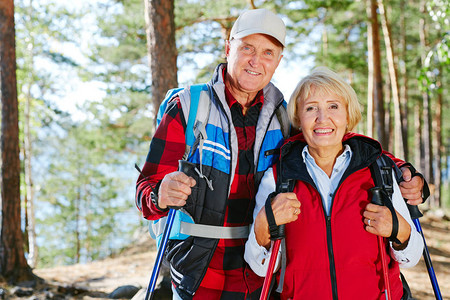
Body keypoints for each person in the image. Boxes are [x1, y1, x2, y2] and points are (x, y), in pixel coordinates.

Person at [136, 8, 425, 300]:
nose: (255, 60)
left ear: (278, 61)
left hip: (264, 279)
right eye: (247, 48)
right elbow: (146, 189)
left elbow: (328, 138)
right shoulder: (188, 107)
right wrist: (160, 194)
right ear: (228, 48)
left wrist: (399, 169)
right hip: (200, 278)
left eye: (268, 52)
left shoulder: (282, 116)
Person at [244, 67, 424, 299]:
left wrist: (398, 229)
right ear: (299, 119)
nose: (322, 118)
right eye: (311, 108)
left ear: (348, 116)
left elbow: (411, 257)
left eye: (333, 106)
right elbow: (260, 267)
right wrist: (264, 223)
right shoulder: (278, 178)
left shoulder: (379, 171)